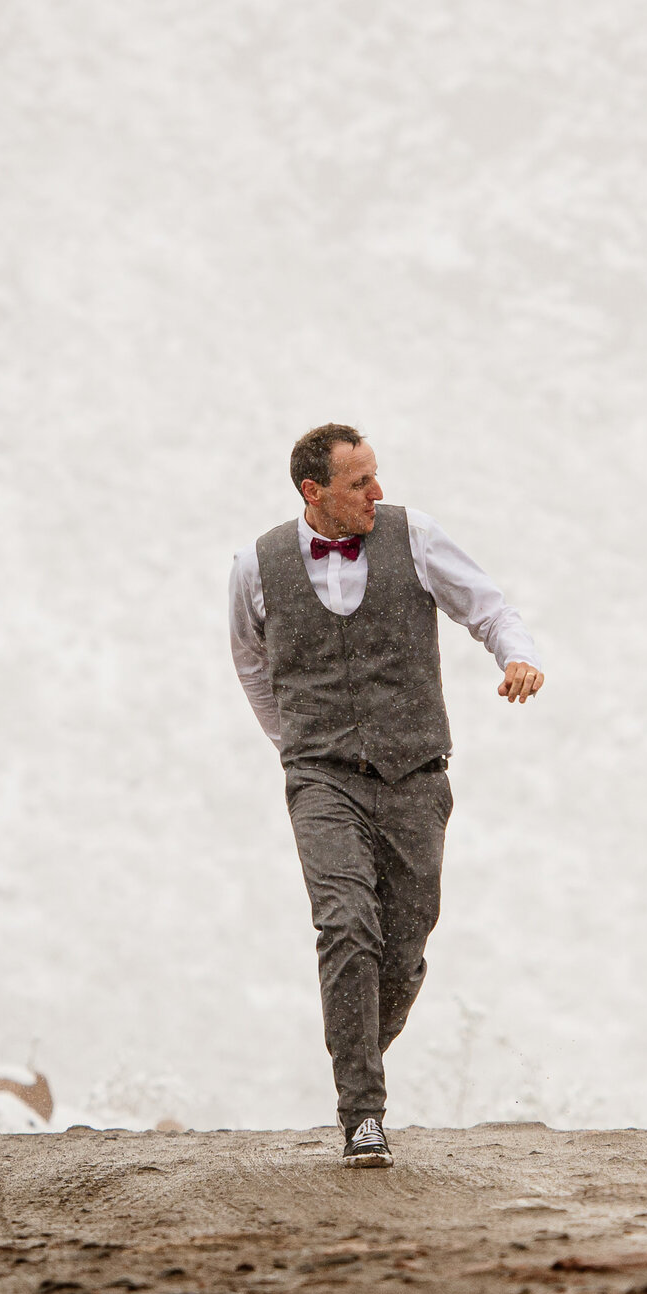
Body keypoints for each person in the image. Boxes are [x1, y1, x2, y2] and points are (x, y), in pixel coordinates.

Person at [229, 425, 544, 1168]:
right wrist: (298, 747)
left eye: (376, 476)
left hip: (416, 776)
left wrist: (520, 655)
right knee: (346, 926)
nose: (378, 492)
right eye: (359, 483)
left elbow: (490, 608)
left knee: (403, 946)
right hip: (321, 778)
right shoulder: (255, 565)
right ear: (315, 493)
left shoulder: (417, 536)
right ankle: (361, 1113)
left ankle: (356, 1044)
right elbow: (250, 663)